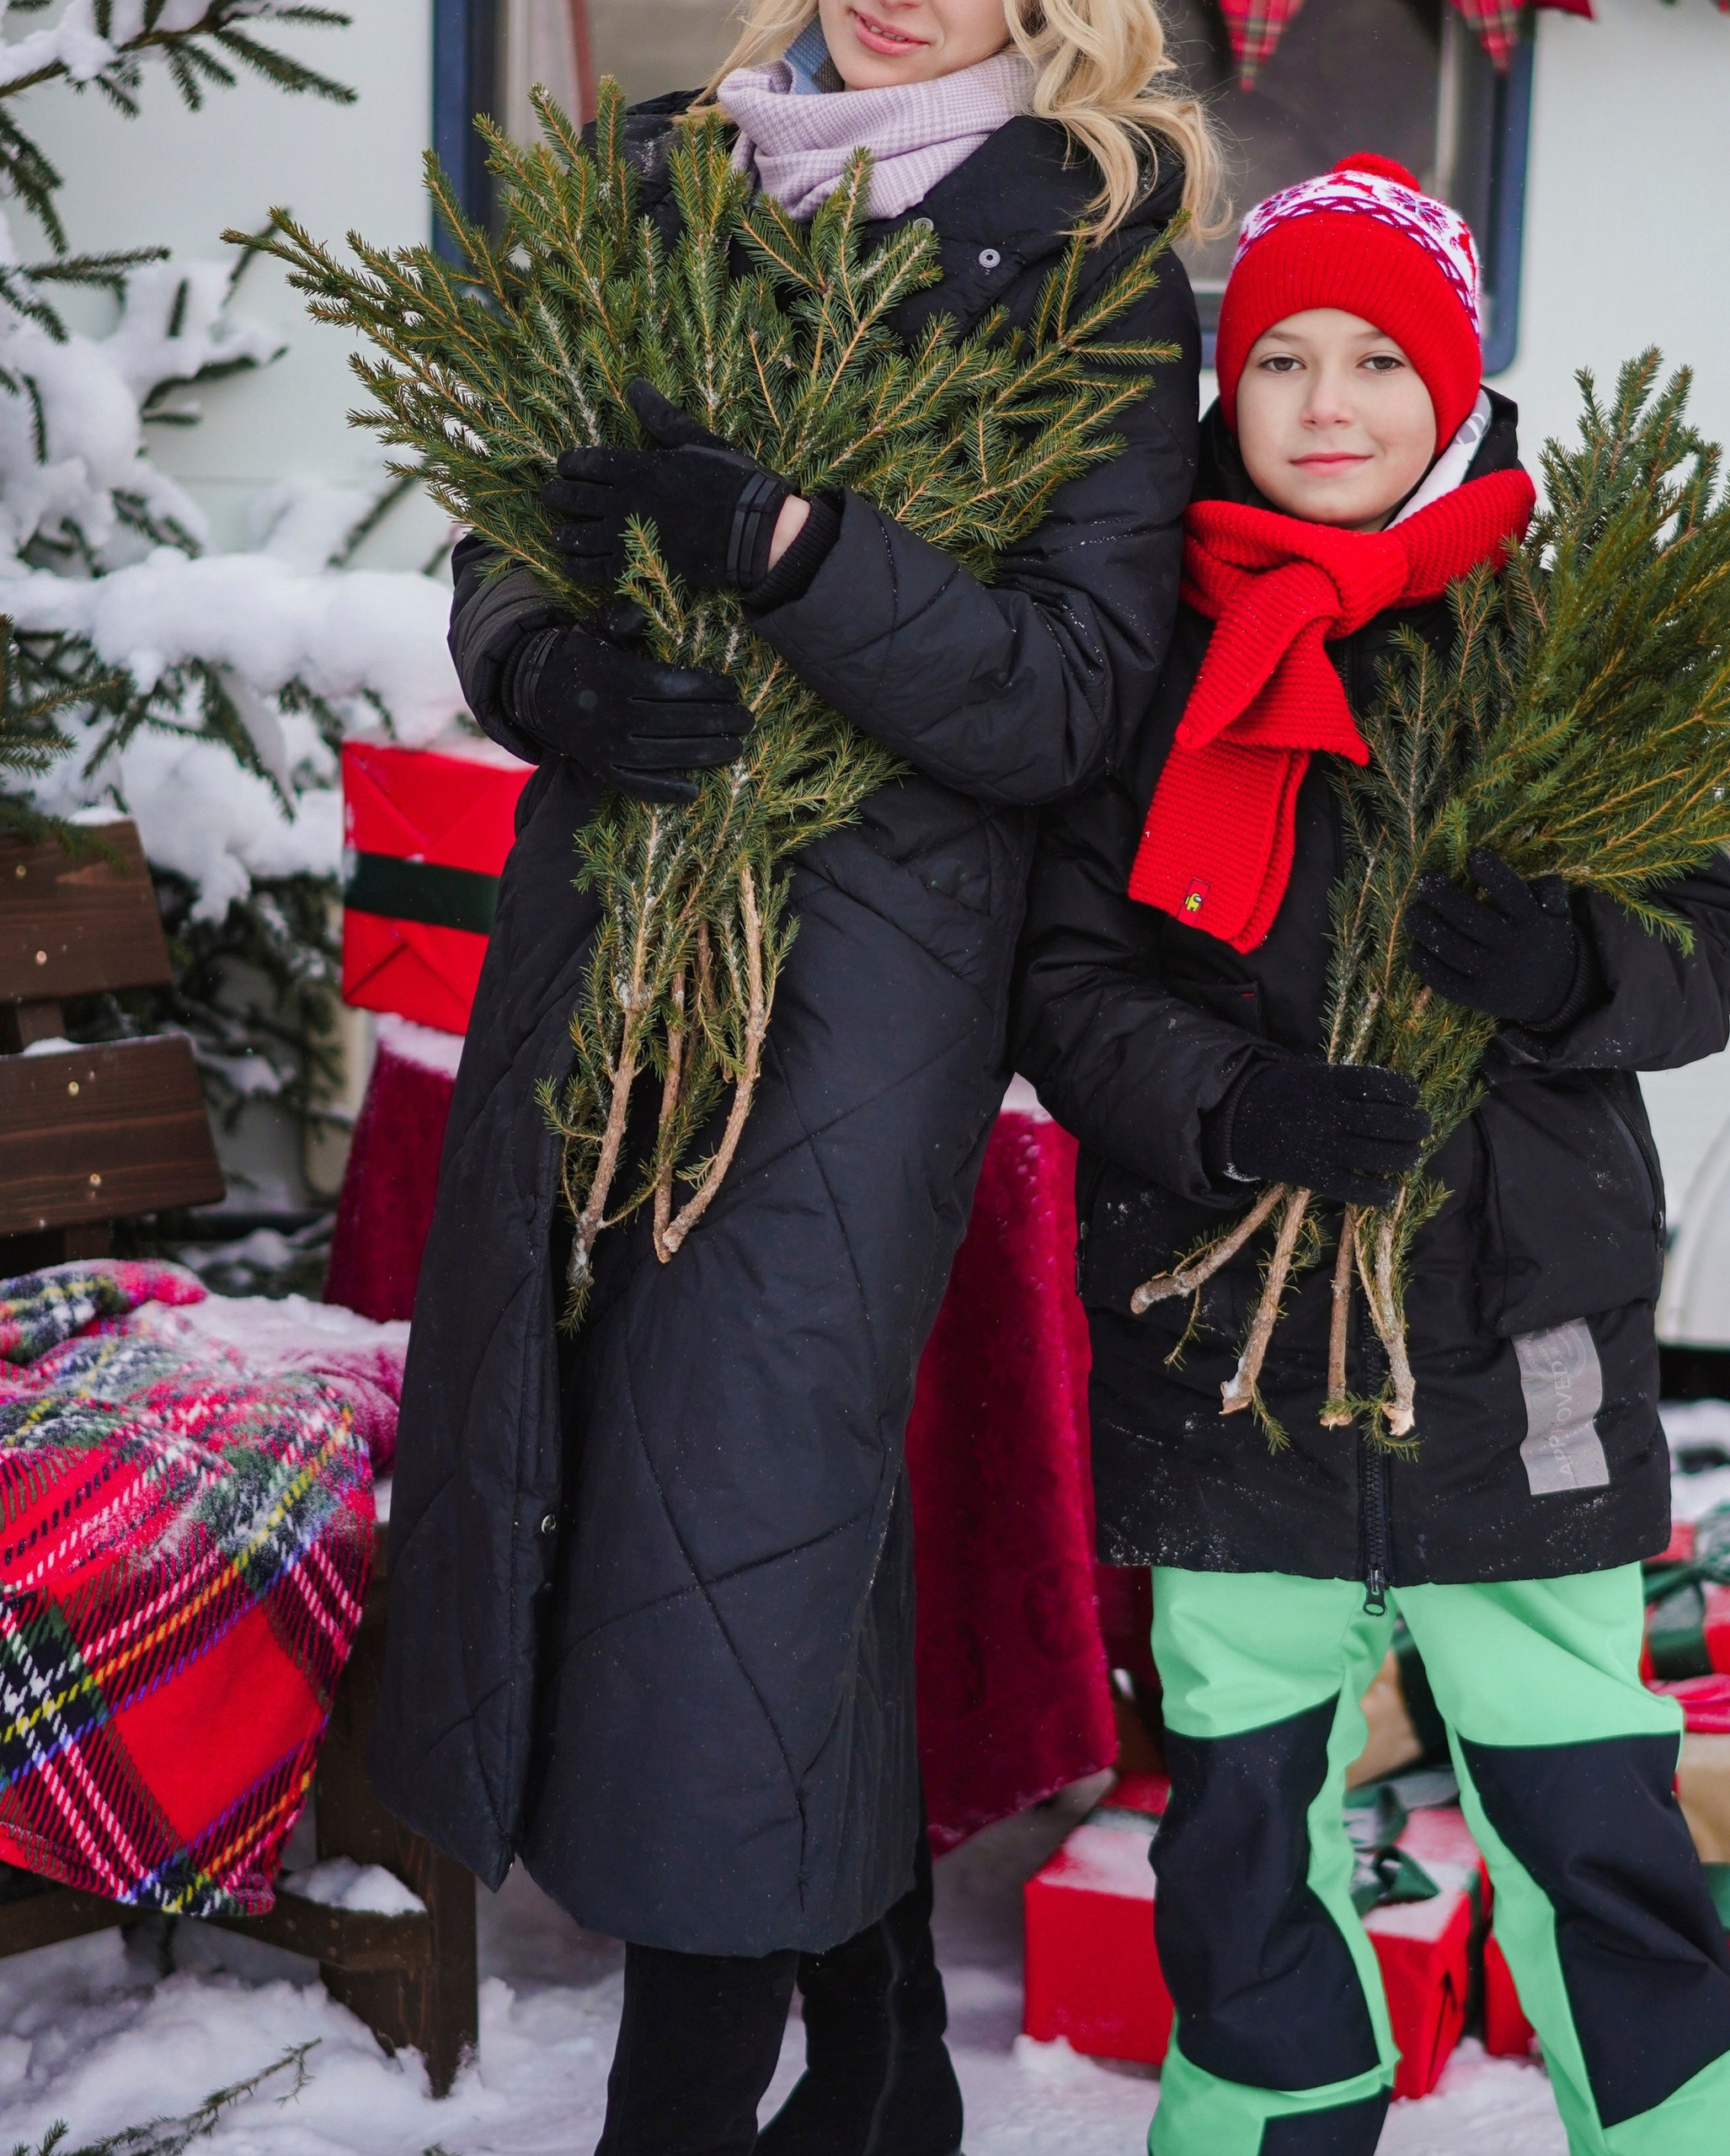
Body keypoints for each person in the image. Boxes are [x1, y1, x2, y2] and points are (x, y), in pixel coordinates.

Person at [371, 3, 1219, 2150]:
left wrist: (790, 547)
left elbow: (1068, 696)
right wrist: (544, 664)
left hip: (862, 984)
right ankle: (885, 2066)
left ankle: (677, 2108)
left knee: (729, 1503)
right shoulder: (673, 175)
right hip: (602, 945)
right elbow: (504, 527)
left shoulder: (1091, 244)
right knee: (633, 1487)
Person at [1012, 157, 1730, 2156]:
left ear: (1448, 386)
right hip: (1232, 1361)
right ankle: (1269, 2124)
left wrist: (1571, 966)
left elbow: (1700, 942)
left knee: (1589, 1825)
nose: (1325, 402)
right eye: (1278, 356)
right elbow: (1070, 974)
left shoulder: (1555, 650)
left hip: (1514, 1353)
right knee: (1236, 1841)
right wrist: (1229, 1101)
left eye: (1377, 357)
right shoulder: (1148, 649)